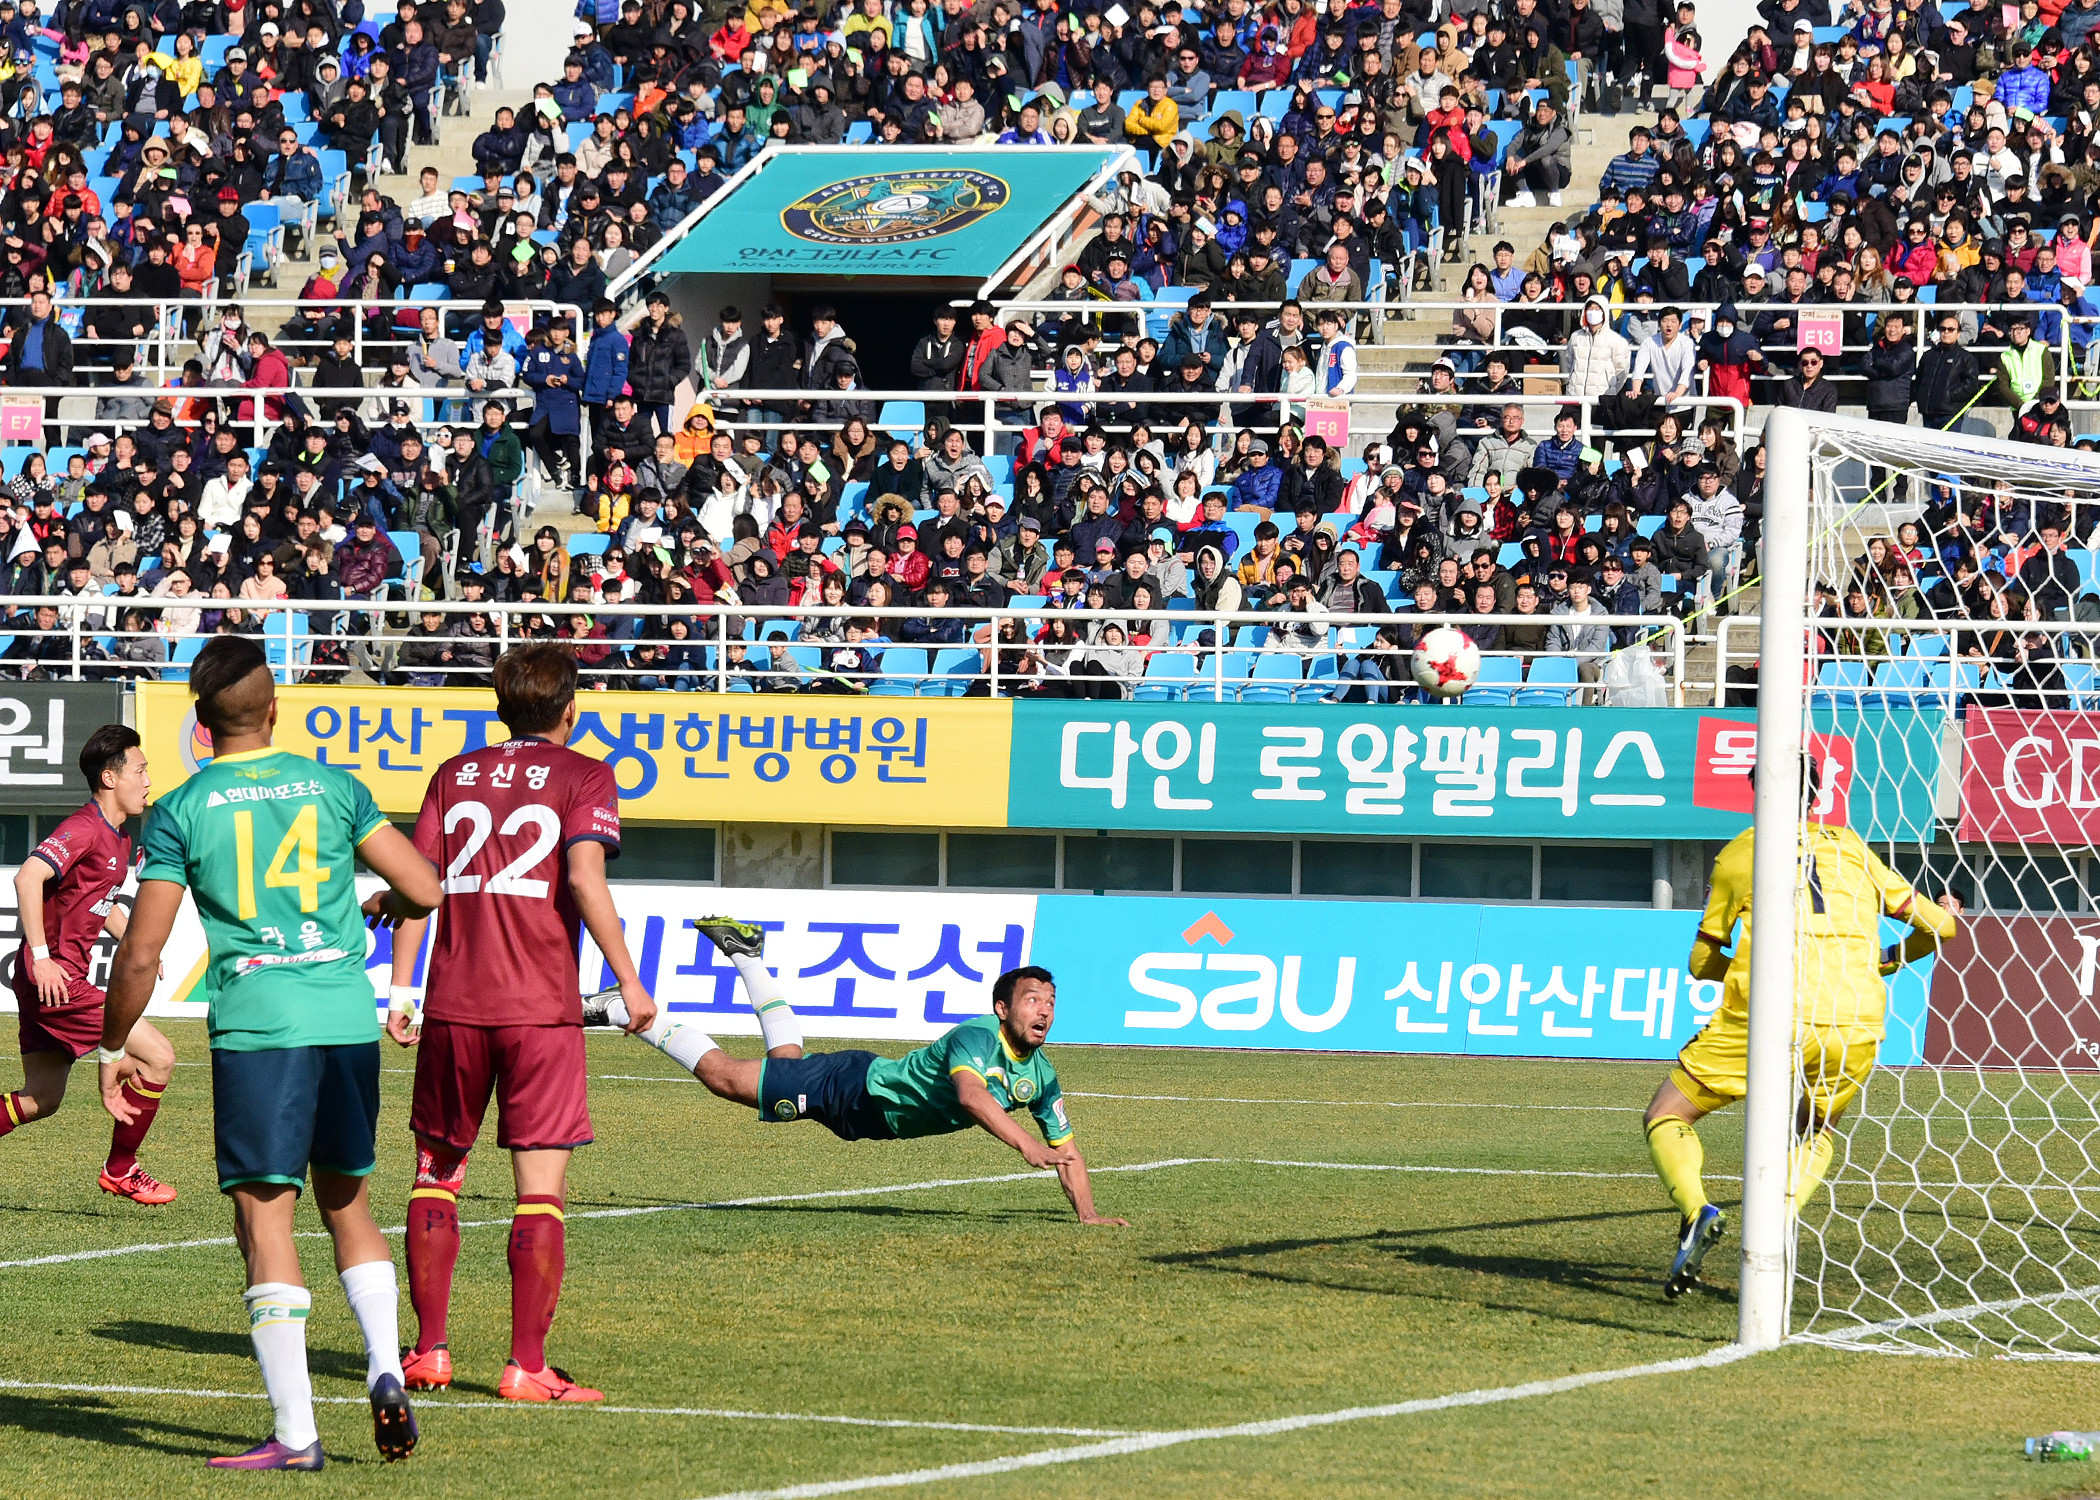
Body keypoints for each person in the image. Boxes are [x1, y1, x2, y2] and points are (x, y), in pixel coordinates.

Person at [98, 635, 442, 1469]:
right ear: (275, 706)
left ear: (200, 726)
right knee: (349, 1205)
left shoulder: (183, 808)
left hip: (261, 1029)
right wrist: (381, 899)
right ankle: (387, 1368)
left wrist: (114, 1043)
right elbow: (429, 887)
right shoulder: (333, 787)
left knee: (264, 1216)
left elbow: (142, 953)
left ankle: (295, 1435)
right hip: (347, 1021)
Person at [384, 642, 656, 1404]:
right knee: (539, 1190)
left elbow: (416, 887)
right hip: (540, 1011)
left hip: (452, 1006)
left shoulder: (453, 774)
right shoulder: (584, 774)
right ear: (572, 708)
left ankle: (430, 1353)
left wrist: (401, 991)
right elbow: (582, 877)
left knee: (435, 1175)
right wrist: (628, 978)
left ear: (499, 707)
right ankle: (525, 1365)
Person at [1643, 758, 1960, 1299]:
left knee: (1667, 1113)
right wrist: (1884, 961)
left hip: (1768, 1010)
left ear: (1754, 794)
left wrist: (1740, 963)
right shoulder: (1853, 849)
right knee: (1813, 1129)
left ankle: (1697, 1210)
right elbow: (1943, 926)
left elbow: (1701, 963)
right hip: (1853, 1012)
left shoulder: (1740, 854)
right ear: (1817, 796)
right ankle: (1779, 1221)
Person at [586, 923, 1128, 1227]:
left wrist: (1089, 1215)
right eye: (1032, 1000)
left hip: (866, 1115)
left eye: (1051, 1002)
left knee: (784, 1070)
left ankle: (747, 955)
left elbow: (1068, 1150)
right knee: (727, 1079)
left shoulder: (1044, 1076)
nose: (1044, 1011)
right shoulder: (977, 1036)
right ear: (1003, 1008)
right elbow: (970, 1095)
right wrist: (1025, 1147)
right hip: (855, 1087)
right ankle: (625, 1010)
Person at [0, 725, 172, 1204]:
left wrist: (141, 945)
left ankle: (121, 1168)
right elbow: (28, 877)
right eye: (140, 771)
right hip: (55, 981)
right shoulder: (84, 828)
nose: (148, 781)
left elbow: (101, 904)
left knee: (40, 1098)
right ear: (110, 778)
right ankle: (122, 1169)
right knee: (158, 1056)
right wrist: (41, 958)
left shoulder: (117, 840)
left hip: (51, 981)